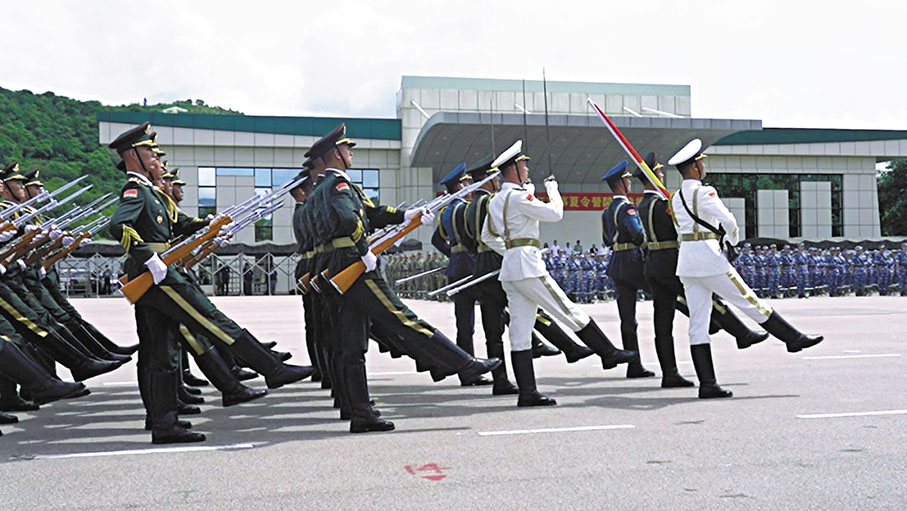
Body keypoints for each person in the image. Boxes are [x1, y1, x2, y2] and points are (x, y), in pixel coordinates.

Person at [108, 123, 312, 443]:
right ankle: (271, 368)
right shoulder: (135, 190)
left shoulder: (151, 193)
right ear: (132, 155)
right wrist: (149, 259)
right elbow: (117, 226)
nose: (154, 156)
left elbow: (181, 224)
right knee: (212, 320)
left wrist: (210, 225)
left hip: (157, 273)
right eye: (148, 151)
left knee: (161, 353)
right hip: (157, 274)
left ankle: (164, 423)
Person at [305, 124, 500, 432]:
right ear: (335, 154)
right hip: (353, 266)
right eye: (347, 149)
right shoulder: (339, 187)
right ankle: (463, 363)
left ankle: (361, 413)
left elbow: (372, 213)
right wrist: (362, 250)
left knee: (351, 344)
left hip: (337, 264)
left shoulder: (320, 190)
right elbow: (348, 220)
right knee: (403, 318)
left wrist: (405, 216)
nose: (351, 153)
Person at [482, 140, 636, 407]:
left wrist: (511, 249)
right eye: (523, 165)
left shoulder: (496, 201)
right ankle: (608, 353)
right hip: (528, 265)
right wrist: (552, 190)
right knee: (566, 308)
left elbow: (487, 235)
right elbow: (555, 214)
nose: (528, 169)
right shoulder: (519, 197)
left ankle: (527, 392)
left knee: (520, 331)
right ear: (514, 169)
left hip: (510, 266)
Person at [668, 138, 823, 399]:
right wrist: (731, 241)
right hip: (710, 258)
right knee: (749, 301)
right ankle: (792, 339)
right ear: (694, 168)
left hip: (687, 263)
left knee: (698, 322)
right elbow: (729, 221)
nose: (703, 166)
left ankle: (708, 384)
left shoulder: (675, 198)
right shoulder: (705, 192)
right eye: (701, 163)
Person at [430, 163, 491, 386]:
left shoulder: (444, 212)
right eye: (465, 183)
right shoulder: (464, 208)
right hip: (472, 266)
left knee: (464, 325)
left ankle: (467, 371)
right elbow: (472, 235)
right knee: (496, 314)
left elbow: (437, 240)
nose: (468, 186)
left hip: (456, 268)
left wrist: (452, 254)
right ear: (460, 186)